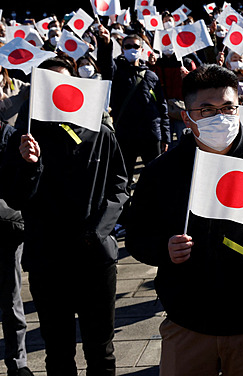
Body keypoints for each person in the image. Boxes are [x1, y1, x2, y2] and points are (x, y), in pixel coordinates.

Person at [124, 64, 243, 376]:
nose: (219, 117)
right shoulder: (162, 171)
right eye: (207, 109)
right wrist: (162, 248)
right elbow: (136, 234)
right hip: (187, 323)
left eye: (227, 108)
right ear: (187, 114)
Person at [0, 57, 129, 376]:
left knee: (101, 349)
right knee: (58, 352)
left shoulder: (101, 132)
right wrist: (30, 166)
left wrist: (99, 231)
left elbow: (120, 186)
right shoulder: (25, 137)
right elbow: (15, 197)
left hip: (95, 258)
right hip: (48, 260)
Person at [96, 26, 170, 190]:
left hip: (151, 134)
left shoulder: (151, 75)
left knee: (156, 176)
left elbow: (162, 107)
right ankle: (123, 210)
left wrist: (165, 136)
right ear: (122, 49)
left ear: (142, 49)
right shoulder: (116, 70)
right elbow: (105, 64)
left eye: (135, 46)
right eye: (127, 46)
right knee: (123, 177)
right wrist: (106, 43)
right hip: (125, 134)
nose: (132, 49)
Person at [0, 119, 33, 376]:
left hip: (5, 229)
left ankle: (18, 363)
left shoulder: (12, 138)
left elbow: (20, 188)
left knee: (11, 299)